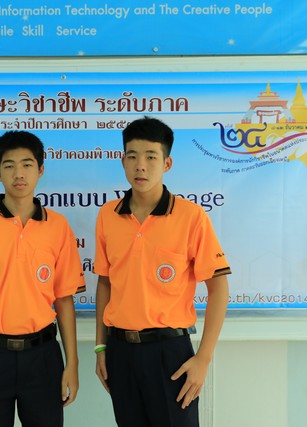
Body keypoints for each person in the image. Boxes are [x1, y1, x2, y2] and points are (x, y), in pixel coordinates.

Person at [93, 116, 231, 427]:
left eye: (151, 157)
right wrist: (101, 347)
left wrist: (203, 358)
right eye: (132, 156)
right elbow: (105, 282)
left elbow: (218, 287)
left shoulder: (191, 216)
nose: (140, 166)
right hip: (120, 351)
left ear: (167, 163)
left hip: (170, 353)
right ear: (123, 161)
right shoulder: (108, 215)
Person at [0, 130, 85, 426]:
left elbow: (64, 299)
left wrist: (72, 362)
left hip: (43, 357)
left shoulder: (58, 226)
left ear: (41, 170)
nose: (19, 174)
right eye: (9, 166)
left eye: (27, 164)